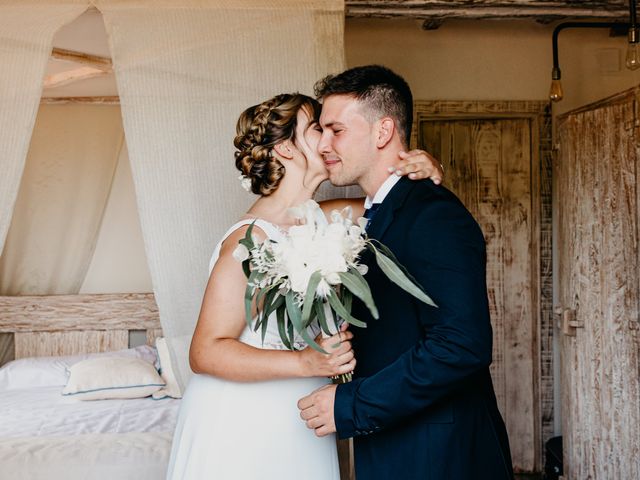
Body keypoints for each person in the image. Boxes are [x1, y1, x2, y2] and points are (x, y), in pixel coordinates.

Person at [166, 92, 444, 479]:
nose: (329, 140)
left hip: (304, 416)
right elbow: (205, 352)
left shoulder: (327, 219)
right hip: (244, 422)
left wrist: (423, 164)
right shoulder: (250, 241)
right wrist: (307, 361)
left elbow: (391, 202)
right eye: (317, 129)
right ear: (285, 148)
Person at [297, 65, 514, 479]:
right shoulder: (376, 215)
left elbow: (460, 345)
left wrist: (351, 404)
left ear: (382, 132)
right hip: (400, 442)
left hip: (438, 454)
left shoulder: (432, 216)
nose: (323, 144)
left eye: (336, 130)